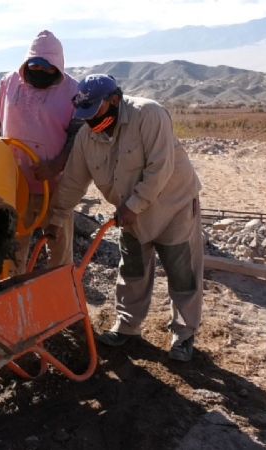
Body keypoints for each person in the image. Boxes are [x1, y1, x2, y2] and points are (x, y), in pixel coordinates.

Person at [45, 74, 204, 362]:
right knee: (132, 269)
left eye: (96, 113)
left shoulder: (149, 115)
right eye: (86, 115)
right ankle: (128, 326)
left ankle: (183, 333)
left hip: (173, 207)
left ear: (115, 100)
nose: (92, 122)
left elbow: (160, 168)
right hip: (129, 213)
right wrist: (56, 217)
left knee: (182, 273)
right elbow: (72, 182)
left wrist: (134, 205)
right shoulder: (87, 137)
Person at [0, 30, 82, 274]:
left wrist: (55, 165)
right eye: (35, 65)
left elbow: (78, 136)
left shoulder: (73, 91)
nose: (40, 71)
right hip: (14, 185)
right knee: (12, 248)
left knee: (58, 248)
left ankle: (60, 300)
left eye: (47, 68)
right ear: (27, 63)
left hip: (54, 186)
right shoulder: (9, 83)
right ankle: (11, 298)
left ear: (58, 68)